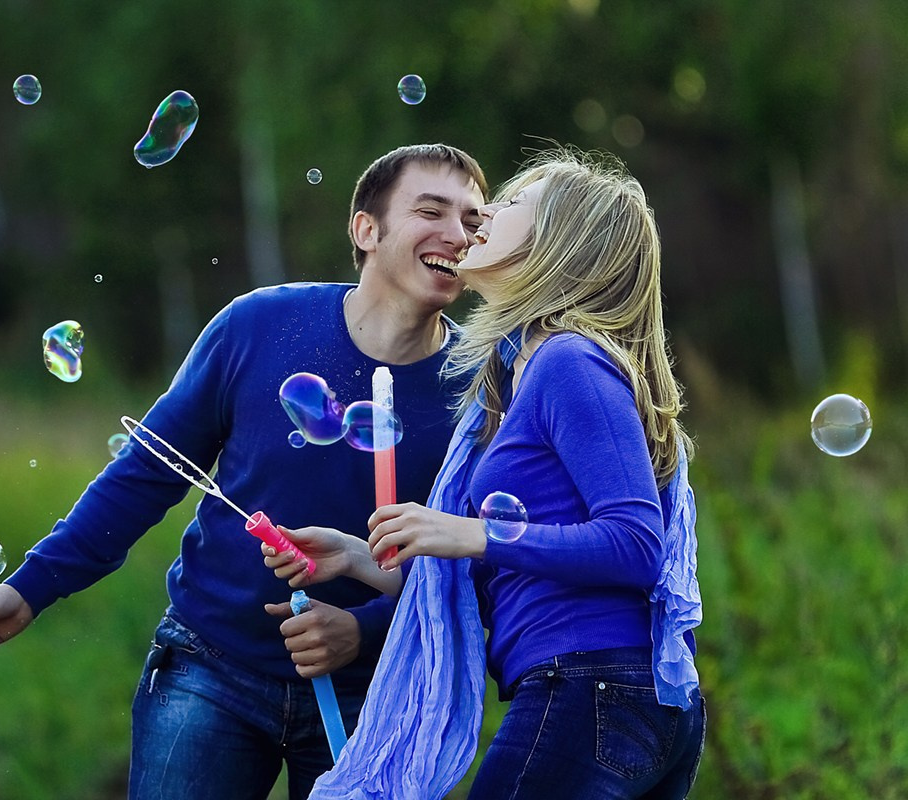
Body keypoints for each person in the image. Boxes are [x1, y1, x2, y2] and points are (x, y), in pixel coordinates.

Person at [0, 143, 489, 800]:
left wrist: (363, 633)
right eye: (433, 211)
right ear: (366, 230)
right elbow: (146, 474)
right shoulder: (258, 327)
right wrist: (28, 591)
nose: (458, 235)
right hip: (211, 670)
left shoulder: (482, 393)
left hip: (378, 695)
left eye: (474, 222)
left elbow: (477, 571)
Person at [264, 146, 706, 799]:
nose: (486, 213)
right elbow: (510, 566)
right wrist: (360, 558)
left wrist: (466, 533)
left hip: (593, 687)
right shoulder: (519, 375)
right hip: (609, 695)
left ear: (559, 243)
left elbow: (636, 544)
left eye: (513, 204)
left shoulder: (568, 361)